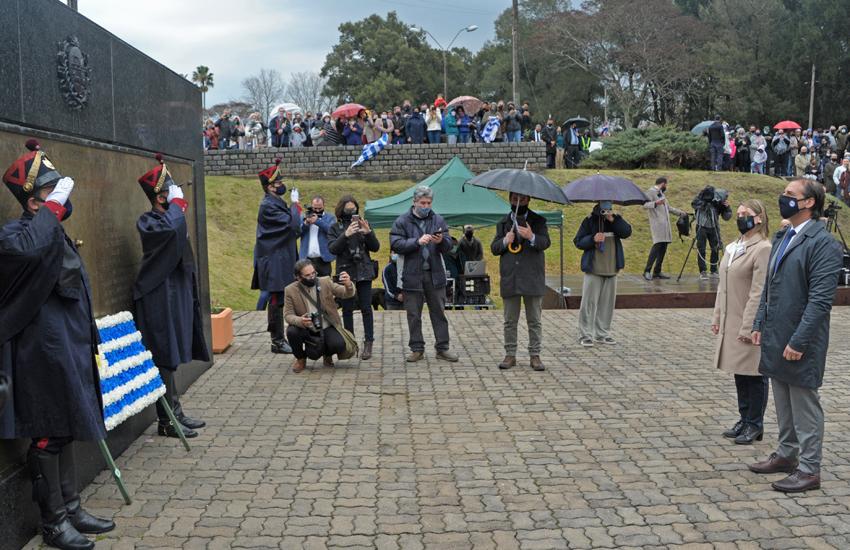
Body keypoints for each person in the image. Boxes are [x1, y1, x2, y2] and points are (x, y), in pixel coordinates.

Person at [0, 139, 115, 550]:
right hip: (41, 349)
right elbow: (29, 252)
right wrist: (49, 212)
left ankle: (71, 507)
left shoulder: (52, 231)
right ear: (33, 203)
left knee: (64, 428)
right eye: (51, 195)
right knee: (49, 432)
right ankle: (53, 524)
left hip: (67, 342)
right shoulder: (15, 235)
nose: (62, 202)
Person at [749, 179, 843, 493]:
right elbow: (769, 287)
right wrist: (759, 323)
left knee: (804, 403)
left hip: (801, 341)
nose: (783, 198)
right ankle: (787, 455)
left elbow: (820, 301)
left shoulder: (824, 244)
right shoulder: (783, 236)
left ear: (809, 203)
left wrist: (799, 341)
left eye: (791, 195)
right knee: (783, 402)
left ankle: (809, 469)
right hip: (777, 336)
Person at [134, 155, 210, 439]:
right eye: (169, 191)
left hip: (173, 293)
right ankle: (167, 420)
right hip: (158, 297)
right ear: (159, 196)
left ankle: (174, 412)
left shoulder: (168, 218)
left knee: (171, 353)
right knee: (163, 355)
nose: (176, 196)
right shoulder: (149, 222)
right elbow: (169, 231)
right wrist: (177, 207)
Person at [712, 200, 772, 445]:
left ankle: (755, 423)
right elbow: (722, 286)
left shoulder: (763, 248)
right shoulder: (735, 246)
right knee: (740, 372)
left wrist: (750, 326)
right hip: (731, 317)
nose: (740, 218)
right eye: (738, 214)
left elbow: (759, 292)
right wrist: (717, 317)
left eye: (745, 214)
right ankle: (744, 418)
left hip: (748, 321)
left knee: (754, 374)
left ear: (759, 218)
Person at [390, 186, 458, 362]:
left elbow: (449, 246)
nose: (426, 206)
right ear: (414, 202)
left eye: (429, 203)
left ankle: (442, 348)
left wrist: (441, 240)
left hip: (435, 274)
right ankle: (417, 348)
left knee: (439, 313)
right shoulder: (402, 221)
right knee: (413, 314)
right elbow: (395, 244)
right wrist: (416, 242)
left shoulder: (438, 220)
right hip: (412, 275)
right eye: (423, 203)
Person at [492, 192, 550, 371]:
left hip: (532, 277)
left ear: (529, 200)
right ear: (510, 199)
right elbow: (494, 248)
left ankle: (535, 355)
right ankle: (510, 354)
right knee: (510, 320)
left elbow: (545, 243)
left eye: (522, 199)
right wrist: (504, 240)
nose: (518, 202)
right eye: (515, 199)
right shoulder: (503, 222)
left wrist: (532, 236)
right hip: (511, 278)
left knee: (534, 320)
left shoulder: (539, 221)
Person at [251, 159, 301, 356]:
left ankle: (280, 338)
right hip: (273, 261)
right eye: (278, 184)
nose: (282, 186)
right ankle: (277, 340)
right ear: (270, 187)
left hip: (281, 258)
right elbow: (293, 226)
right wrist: (295, 205)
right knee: (275, 300)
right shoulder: (268, 206)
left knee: (280, 299)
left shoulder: (276, 202)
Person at [328, 196, 380, 360]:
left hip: (364, 270)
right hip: (346, 271)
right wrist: (345, 234)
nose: (352, 212)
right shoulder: (335, 227)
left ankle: (369, 342)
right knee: (347, 309)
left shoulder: (364, 224)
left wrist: (368, 233)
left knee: (366, 307)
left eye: (354, 209)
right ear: (341, 210)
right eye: (348, 209)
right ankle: (350, 342)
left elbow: (376, 247)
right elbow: (332, 249)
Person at [574, 201, 631, 347]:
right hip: (594, 268)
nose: (607, 208)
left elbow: (626, 232)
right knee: (589, 303)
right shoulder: (589, 220)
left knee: (607, 304)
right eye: (604, 206)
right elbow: (578, 241)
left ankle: (602, 333)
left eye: (609, 205)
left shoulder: (615, 219)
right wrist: (592, 239)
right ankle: (585, 334)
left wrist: (613, 219)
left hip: (611, 268)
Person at [283, 260, 355, 373]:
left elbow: (345, 293)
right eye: (307, 275)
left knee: (339, 344)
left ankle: (328, 354)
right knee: (292, 332)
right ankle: (301, 359)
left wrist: (348, 285)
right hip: (307, 328)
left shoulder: (325, 281)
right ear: (298, 277)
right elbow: (288, 315)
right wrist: (300, 321)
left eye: (313, 273)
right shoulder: (290, 290)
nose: (312, 277)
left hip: (327, 326)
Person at [642, 176, 685, 280]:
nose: (666, 186)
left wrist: (681, 213)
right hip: (657, 225)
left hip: (665, 226)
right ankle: (647, 271)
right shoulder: (651, 192)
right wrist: (656, 203)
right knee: (657, 246)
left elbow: (668, 208)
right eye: (666, 184)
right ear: (663, 183)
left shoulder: (662, 194)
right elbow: (644, 205)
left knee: (663, 247)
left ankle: (657, 271)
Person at [692, 186, 733, 279]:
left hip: (713, 227)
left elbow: (726, 217)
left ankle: (714, 270)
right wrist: (705, 203)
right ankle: (703, 271)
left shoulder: (718, 200)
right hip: (701, 226)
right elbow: (694, 204)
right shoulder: (700, 197)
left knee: (715, 248)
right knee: (701, 249)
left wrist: (727, 208)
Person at [299, 196, 336, 277]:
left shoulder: (330, 217)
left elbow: (332, 231)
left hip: (323, 259)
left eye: (320, 208)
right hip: (307, 259)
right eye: (315, 208)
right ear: (311, 206)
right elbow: (297, 233)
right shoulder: (303, 217)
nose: (318, 210)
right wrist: (306, 223)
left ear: (324, 206)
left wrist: (318, 221)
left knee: (325, 285)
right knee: (307, 285)